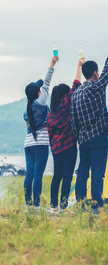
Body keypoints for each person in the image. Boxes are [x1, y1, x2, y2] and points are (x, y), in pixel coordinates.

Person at [71, 31, 108, 214]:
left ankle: (80, 204)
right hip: (98, 137)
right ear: (94, 73)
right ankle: (97, 206)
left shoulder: (76, 94)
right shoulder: (98, 87)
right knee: (98, 172)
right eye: (98, 72)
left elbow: (73, 119)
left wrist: (78, 137)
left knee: (83, 171)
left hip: (83, 139)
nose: (100, 73)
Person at [47, 58, 84, 213]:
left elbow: (50, 134)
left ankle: (53, 206)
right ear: (64, 94)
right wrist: (79, 65)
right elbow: (76, 84)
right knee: (67, 176)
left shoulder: (51, 113)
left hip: (56, 149)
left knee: (57, 177)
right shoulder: (67, 103)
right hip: (69, 146)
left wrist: (54, 146)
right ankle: (63, 206)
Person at [24, 55, 58, 210]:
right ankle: (37, 206)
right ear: (38, 93)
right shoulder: (41, 102)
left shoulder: (28, 108)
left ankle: (28, 204)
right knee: (38, 175)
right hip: (41, 143)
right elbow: (47, 83)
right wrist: (52, 64)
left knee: (29, 174)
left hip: (28, 144)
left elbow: (40, 85)